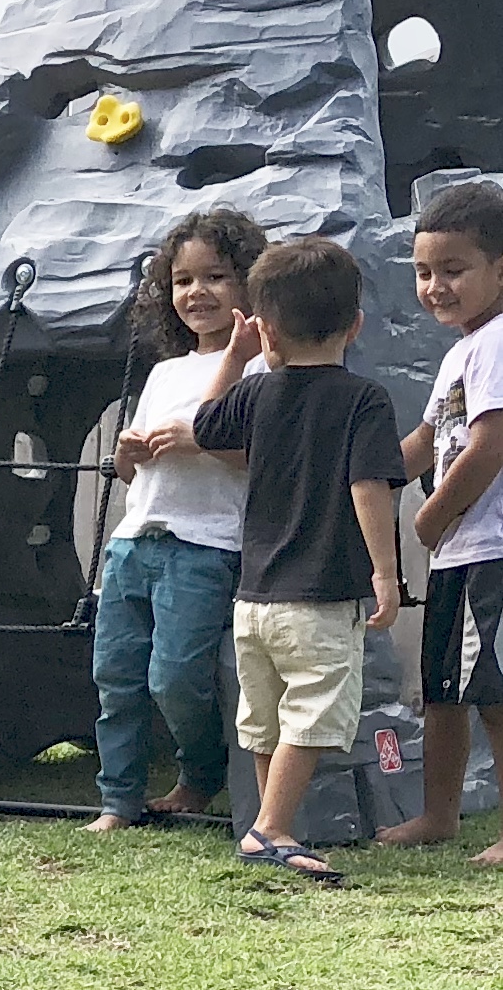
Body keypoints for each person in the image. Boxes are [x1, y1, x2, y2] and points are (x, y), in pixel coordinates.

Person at [192, 237, 406, 884]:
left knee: (267, 721)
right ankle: (272, 827)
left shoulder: (256, 393)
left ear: (264, 330)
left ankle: (270, 826)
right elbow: (367, 486)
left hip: (252, 598)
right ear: (355, 325)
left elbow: (204, 426)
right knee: (312, 718)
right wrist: (384, 574)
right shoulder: (362, 400)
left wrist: (234, 358)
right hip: (317, 599)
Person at [84, 208, 267, 832]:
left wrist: (199, 441)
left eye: (215, 276)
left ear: (249, 282)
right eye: (183, 281)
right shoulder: (165, 371)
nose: (198, 292)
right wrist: (126, 457)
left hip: (206, 546)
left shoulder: (264, 367)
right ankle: (118, 800)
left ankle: (200, 774)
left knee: (176, 676)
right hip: (135, 541)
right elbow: (138, 474)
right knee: (115, 675)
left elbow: (263, 461)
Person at [375, 181, 503, 863]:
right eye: (423, 272)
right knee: (442, 690)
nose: (434, 287)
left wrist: (428, 516)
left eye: (452, 270)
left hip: (490, 548)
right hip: (461, 552)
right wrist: (365, 480)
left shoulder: (498, 342)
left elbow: (487, 444)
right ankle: (438, 814)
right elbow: (427, 439)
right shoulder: (460, 350)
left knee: (495, 693)